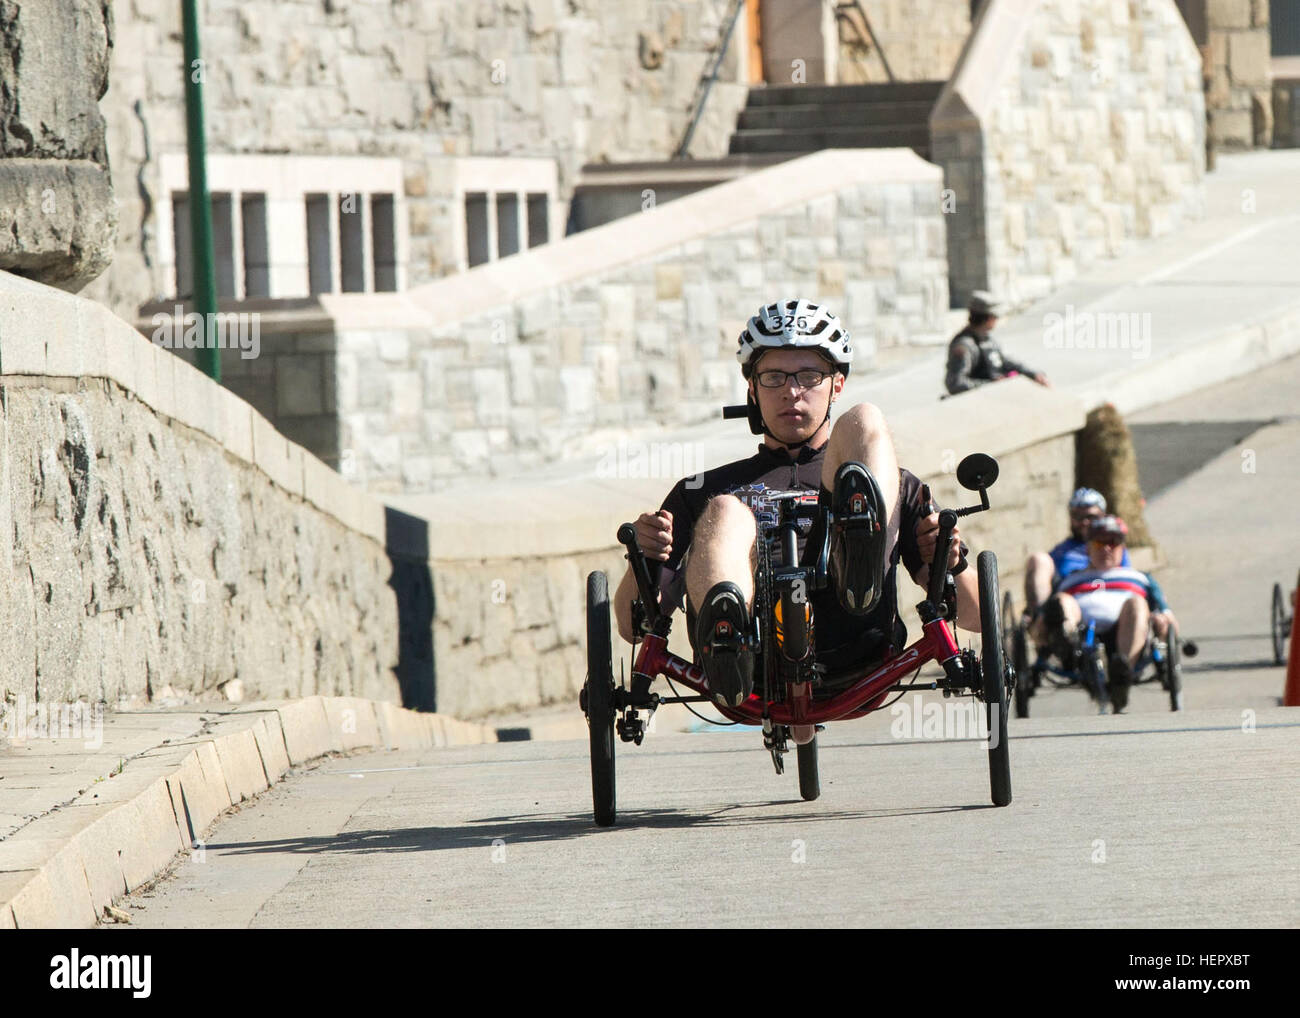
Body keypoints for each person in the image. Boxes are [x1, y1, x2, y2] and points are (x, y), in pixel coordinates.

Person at [612, 298, 982, 711]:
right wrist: (642, 559)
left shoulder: (895, 482)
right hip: (749, 668)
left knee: (866, 419)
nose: (792, 392)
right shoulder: (700, 489)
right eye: (773, 377)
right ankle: (727, 636)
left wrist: (952, 563)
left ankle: (858, 554)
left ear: (836, 384)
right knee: (724, 510)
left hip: (857, 649)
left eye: (809, 376)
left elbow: (974, 617)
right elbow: (633, 627)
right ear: (751, 387)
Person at [1040, 515, 1180, 713]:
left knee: (1138, 603)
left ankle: (1122, 673)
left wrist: (1162, 621)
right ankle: (1066, 644)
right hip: (1079, 632)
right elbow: (1040, 626)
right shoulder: (1070, 579)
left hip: (1126, 630)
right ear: (1088, 547)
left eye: (1112, 542)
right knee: (1061, 601)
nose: (1106, 548)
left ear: (1122, 547)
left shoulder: (1141, 578)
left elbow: (1170, 621)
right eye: (1099, 541)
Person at [1024, 487, 1132, 638]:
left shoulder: (1113, 546)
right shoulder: (1062, 550)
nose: (1085, 522)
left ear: (1103, 515)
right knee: (1038, 559)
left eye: (1091, 517)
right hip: (1066, 594)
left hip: (1105, 595)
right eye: (1078, 517)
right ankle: (1039, 618)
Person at [945, 291, 1049, 395]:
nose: (997, 320)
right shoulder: (964, 345)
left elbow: (1003, 361)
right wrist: (992, 385)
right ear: (989, 318)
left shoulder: (986, 338)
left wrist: (1032, 374)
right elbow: (955, 383)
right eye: (996, 317)